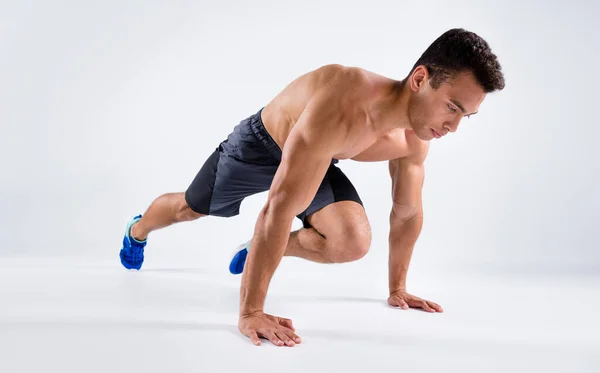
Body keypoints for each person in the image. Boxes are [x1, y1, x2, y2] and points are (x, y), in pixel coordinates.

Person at [119, 28, 505, 347]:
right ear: (420, 79)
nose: (453, 127)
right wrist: (252, 313)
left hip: (318, 158)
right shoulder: (344, 101)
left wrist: (398, 287)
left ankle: (263, 251)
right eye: (452, 107)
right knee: (189, 208)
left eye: (466, 117)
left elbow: (406, 213)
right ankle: (138, 230)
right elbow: (277, 209)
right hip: (260, 146)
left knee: (353, 240)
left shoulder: (415, 139)